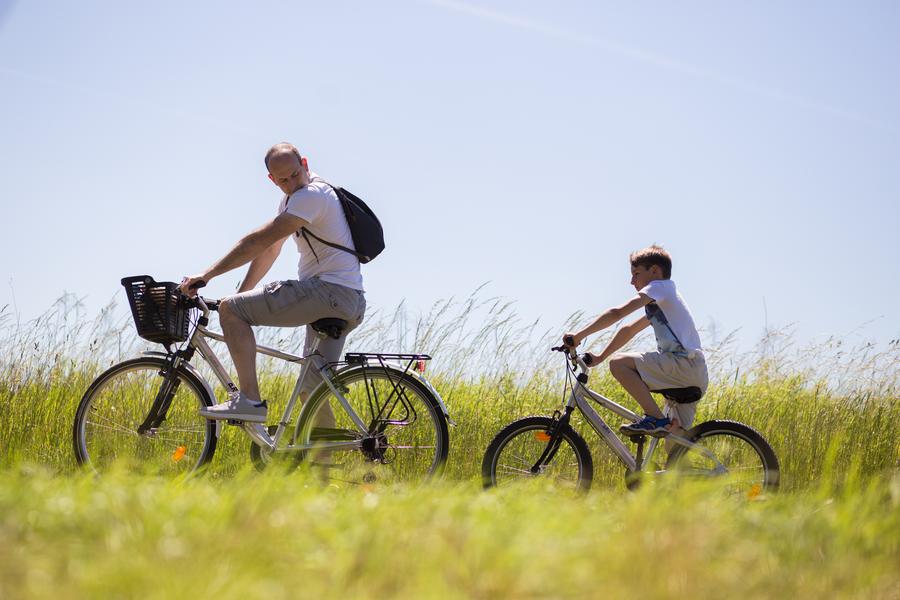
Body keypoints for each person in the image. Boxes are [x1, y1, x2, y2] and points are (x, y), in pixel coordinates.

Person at [178, 142, 366, 423]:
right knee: (311, 391)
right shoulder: (297, 199)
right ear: (272, 180)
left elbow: (258, 241)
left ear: (304, 163)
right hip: (349, 300)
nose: (291, 183)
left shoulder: (310, 195)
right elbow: (270, 249)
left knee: (231, 310)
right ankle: (325, 453)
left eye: (295, 174)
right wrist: (241, 294)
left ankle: (249, 401)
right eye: (283, 180)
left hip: (328, 292)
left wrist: (207, 275)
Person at [562, 245, 707, 437]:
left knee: (618, 364)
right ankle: (680, 441)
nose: (632, 281)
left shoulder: (660, 287)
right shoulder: (664, 300)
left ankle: (655, 419)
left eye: (636, 274)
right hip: (693, 373)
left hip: (683, 365)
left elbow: (617, 313)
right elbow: (629, 330)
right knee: (675, 446)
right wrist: (600, 357)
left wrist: (578, 336)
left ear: (654, 270)